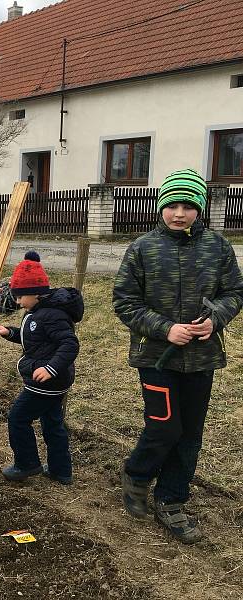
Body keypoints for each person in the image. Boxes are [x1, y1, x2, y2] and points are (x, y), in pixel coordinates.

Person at [113, 169, 243, 544]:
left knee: (190, 435)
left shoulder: (218, 246)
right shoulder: (143, 248)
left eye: (188, 205)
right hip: (156, 357)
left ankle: (171, 500)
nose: (179, 213)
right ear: (162, 207)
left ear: (199, 209)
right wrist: (164, 328)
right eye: (172, 204)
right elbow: (124, 302)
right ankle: (137, 475)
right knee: (164, 427)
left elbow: (234, 291)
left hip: (202, 359)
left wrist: (215, 319)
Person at [0, 251, 82, 486]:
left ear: (35, 293)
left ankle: (27, 463)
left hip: (46, 382)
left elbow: (69, 344)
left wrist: (51, 368)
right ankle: (61, 470)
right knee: (52, 423)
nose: (18, 302)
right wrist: (8, 332)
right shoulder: (38, 313)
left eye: (20, 297)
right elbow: (34, 339)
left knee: (18, 418)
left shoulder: (50, 315)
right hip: (51, 382)